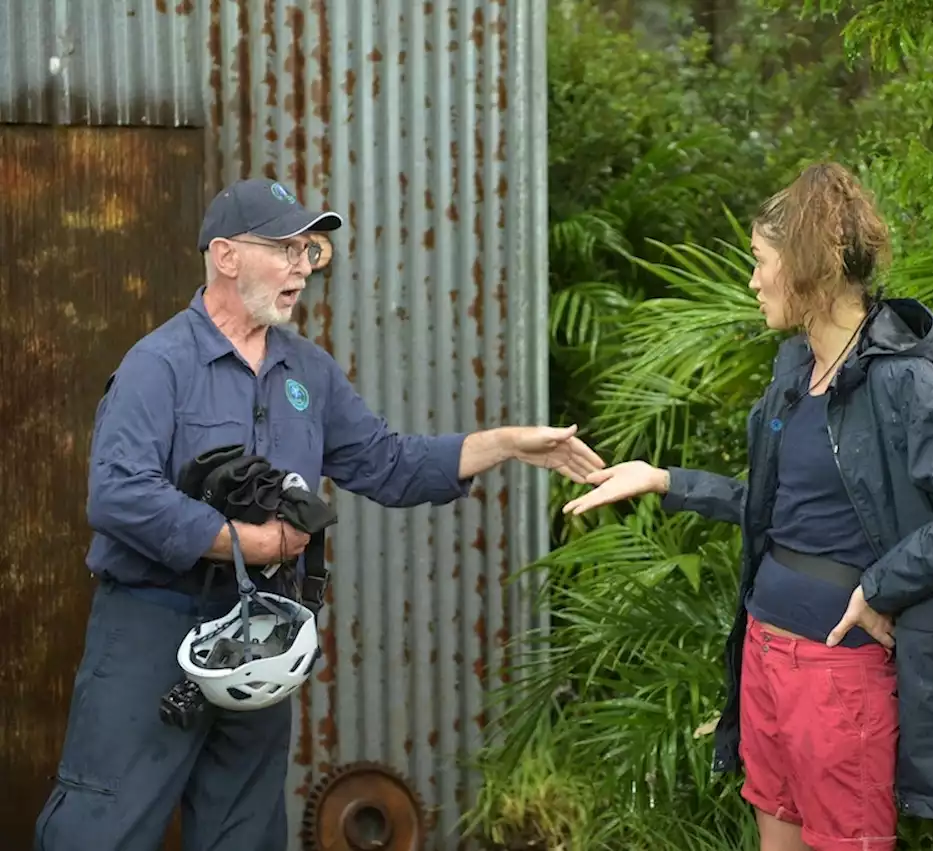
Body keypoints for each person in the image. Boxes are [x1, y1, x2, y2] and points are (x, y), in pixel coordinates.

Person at [32, 178, 605, 851]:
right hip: (150, 629)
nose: (303, 265)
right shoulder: (158, 364)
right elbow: (120, 495)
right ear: (225, 256)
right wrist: (252, 542)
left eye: (308, 250)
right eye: (284, 248)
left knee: (244, 833)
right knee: (103, 828)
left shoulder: (309, 372)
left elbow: (390, 463)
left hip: (260, 638)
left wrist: (506, 443)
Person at [562, 162, 933, 851]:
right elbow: (779, 509)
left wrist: (882, 585)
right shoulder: (795, 370)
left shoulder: (902, 383)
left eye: (760, 262)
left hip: (838, 675)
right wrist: (666, 479)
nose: (752, 282)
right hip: (765, 650)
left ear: (806, 267)